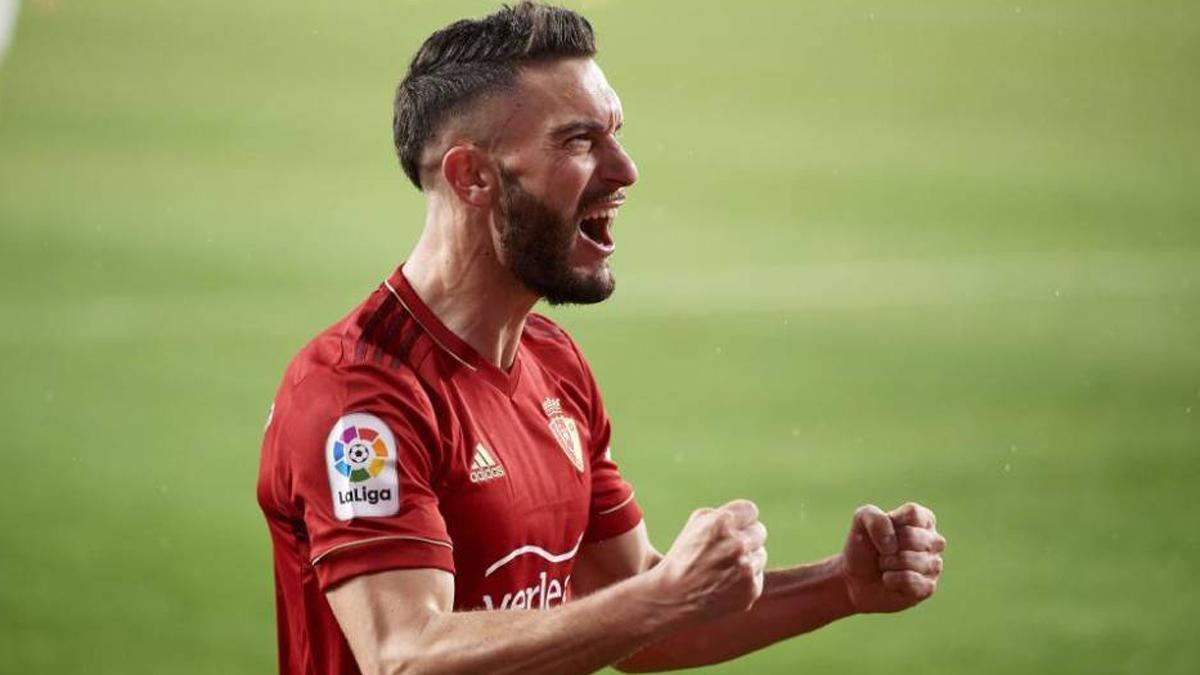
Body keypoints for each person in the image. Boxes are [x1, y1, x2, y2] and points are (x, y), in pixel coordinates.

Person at [256, 2, 947, 673]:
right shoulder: (358, 395)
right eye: (580, 141)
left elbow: (641, 624)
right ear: (473, 177)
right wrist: (661, 595)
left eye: (614, 134)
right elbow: (407, 655)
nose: (625, 170)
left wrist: (840, 585)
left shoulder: (552, 362)